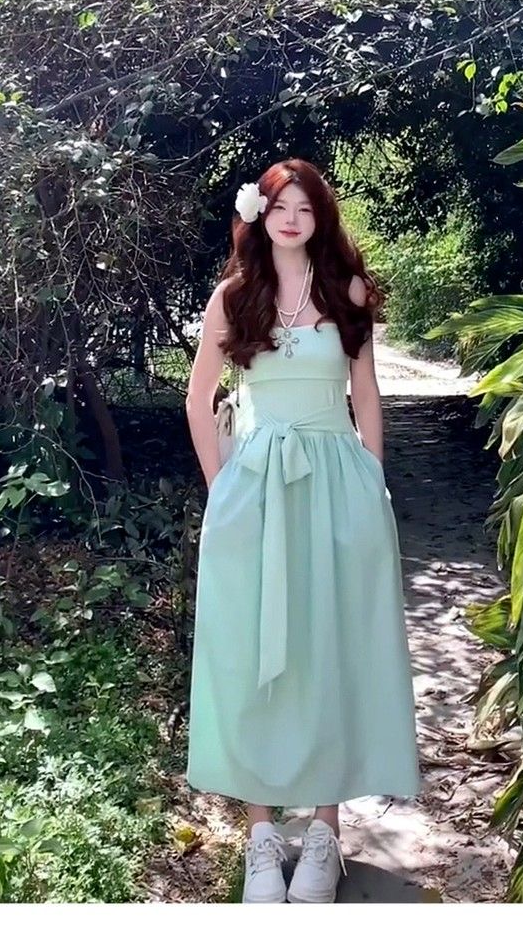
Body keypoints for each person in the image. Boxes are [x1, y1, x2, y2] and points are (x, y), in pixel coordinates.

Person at [184, 158, 419, 903]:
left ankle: (323, 830)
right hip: (255, 486)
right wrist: (222, 490)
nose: (291, 219)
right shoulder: (234, 296)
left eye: (305, 208)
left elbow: (366, 393)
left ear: (321, 219)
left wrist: (373, 484)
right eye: (280, 206)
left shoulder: (346, 292)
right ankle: (261, 834)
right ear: (260, 214)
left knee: (329, 647)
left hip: (336, 481)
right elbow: (199, 397)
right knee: (251, 650)